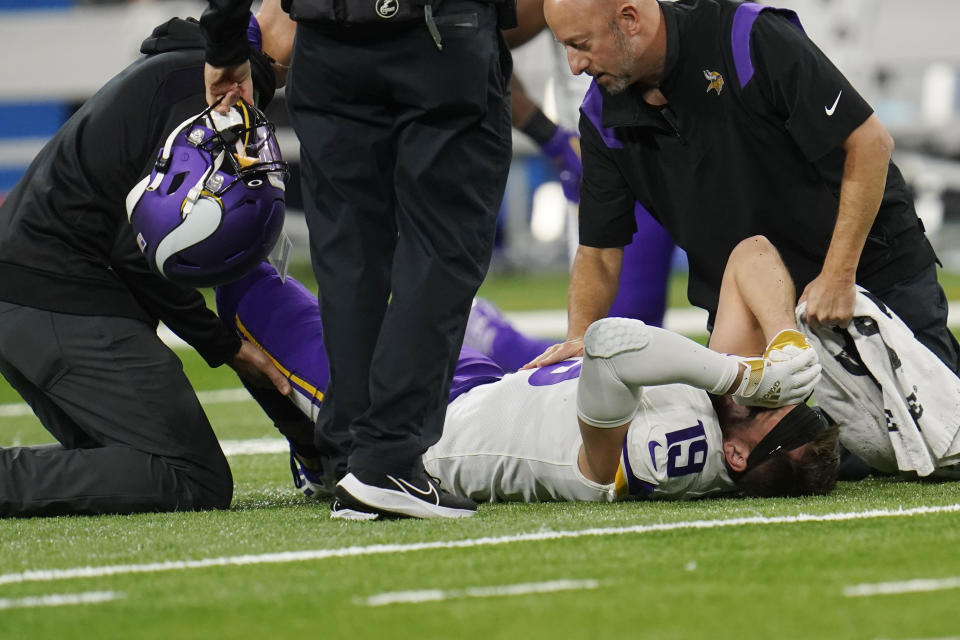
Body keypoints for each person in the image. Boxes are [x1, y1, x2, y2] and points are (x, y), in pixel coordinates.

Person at [217, 235, 837, 515]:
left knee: (246, 286)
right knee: (350, 300)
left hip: (417, 431)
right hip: (477, 383)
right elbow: (750, 252)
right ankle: (318, 455)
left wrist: (741, 376)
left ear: (734, 456)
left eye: (773, 411)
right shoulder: (726, 421)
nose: (769, 395)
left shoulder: (675, 454)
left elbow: (610, 343)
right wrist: (782, 337)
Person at [201, 0, 516, 520]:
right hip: (441, 36)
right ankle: (387, 459)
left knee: (349, 255)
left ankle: (349, 455)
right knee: (443, 245)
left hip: (329, 43)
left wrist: (227, 41)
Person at [529, 0, 960, 377]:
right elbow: (600, 251)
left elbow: (869, 144)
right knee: (754, 464)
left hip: (868, 270)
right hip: (748, 302)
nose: (573, 65)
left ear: (629, 20)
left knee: (939, 448)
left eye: (580, 44)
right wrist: (579, 338)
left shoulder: (747, 37)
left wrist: (838, 276)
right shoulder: (600, 113)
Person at [0, 8, 293, 518]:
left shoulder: (189, 72)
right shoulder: (199, 87)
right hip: (56, 294)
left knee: (130, 464)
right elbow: (132, 247)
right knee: (190, 476)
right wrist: (224, 344)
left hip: (39, 293)